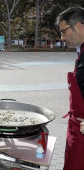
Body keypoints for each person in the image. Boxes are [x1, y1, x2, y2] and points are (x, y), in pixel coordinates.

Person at [56, 6, 84, 170]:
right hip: (76, 127)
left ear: (79, 26)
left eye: (64, 31)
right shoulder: (81, 51)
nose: (61, 37)